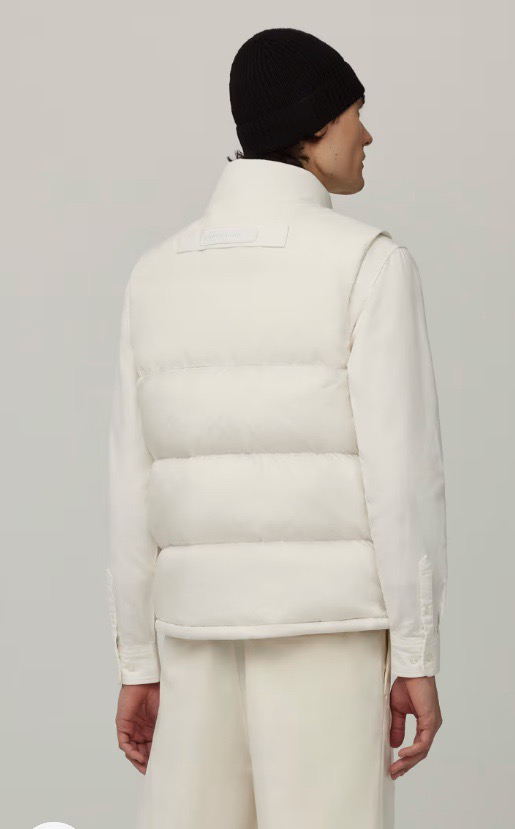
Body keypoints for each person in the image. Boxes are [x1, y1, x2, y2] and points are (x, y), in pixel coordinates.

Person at [105, 27, 448, 829]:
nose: (367, 134)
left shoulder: (155, 274)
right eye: (356, 113)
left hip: (193, 633)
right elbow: (401, 478)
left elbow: (129, 484)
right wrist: (416, 652)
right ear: (314, 126)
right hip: (330, 634)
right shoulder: (367, 264)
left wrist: (138, 660)